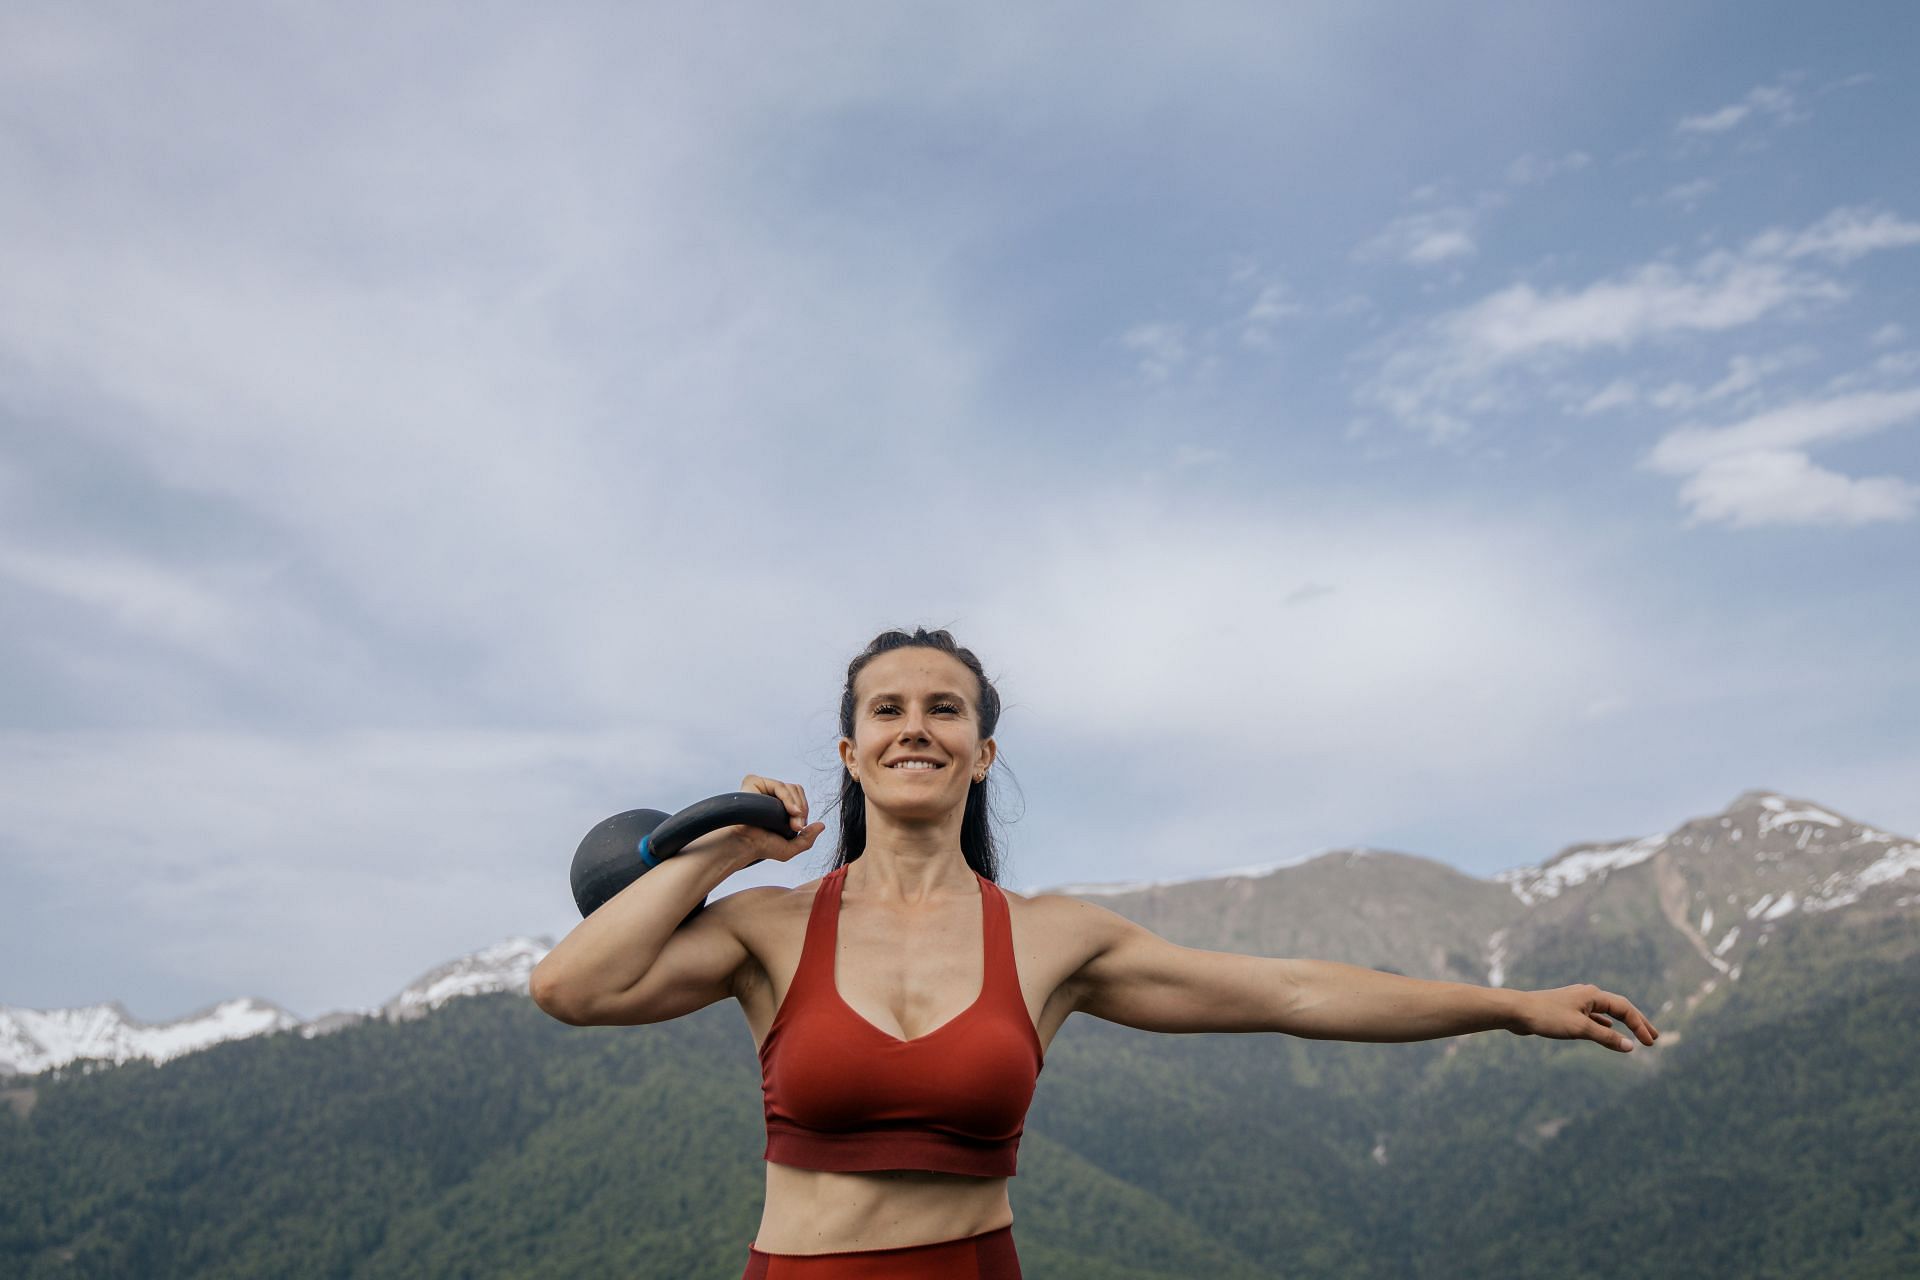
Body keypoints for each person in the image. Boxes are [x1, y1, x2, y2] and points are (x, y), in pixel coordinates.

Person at [530, 627, 1659, 1278]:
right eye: (886, 709)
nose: (914, 724)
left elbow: (1296, 990)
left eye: (944, 708)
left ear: (980, 752)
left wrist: (1509, 1005)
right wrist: (721, 845)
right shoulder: (768, 928)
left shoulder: (1054, 936)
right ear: (851, 749)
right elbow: (571, 986)